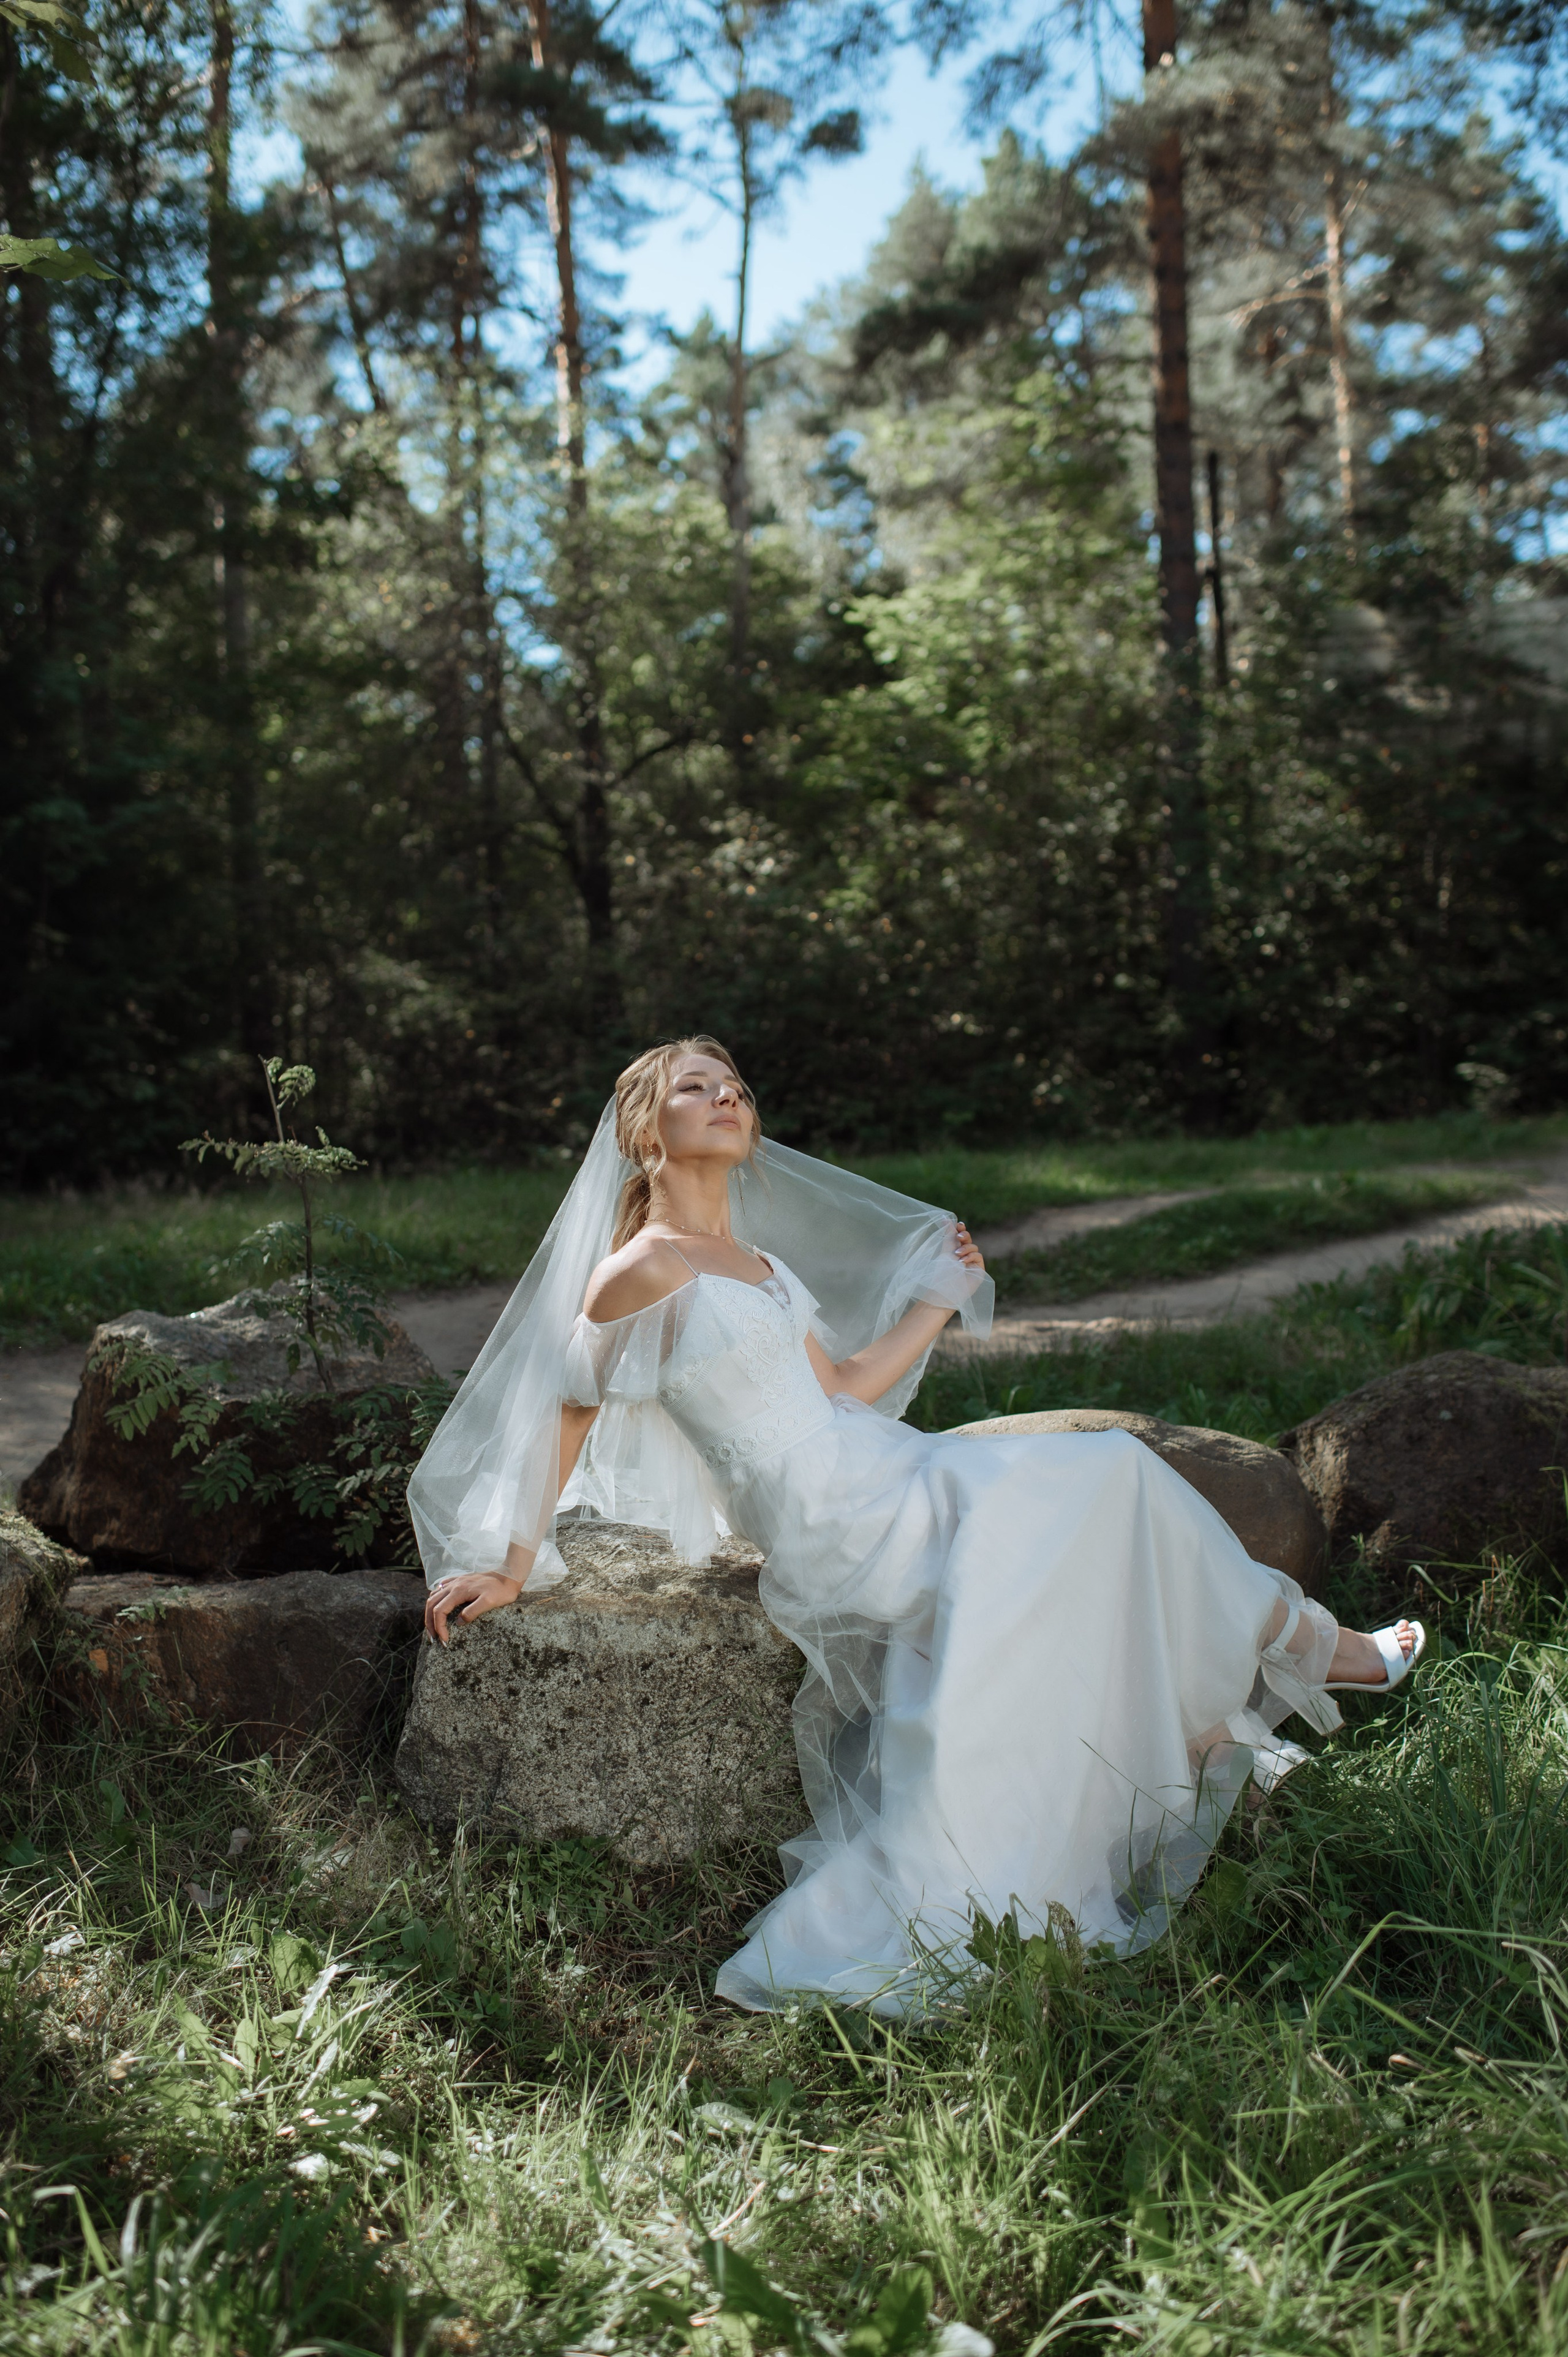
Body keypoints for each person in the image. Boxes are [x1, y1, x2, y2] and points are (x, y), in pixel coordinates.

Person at [410, 1037, 1423, 2016]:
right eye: (694, 1088)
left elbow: (844, 1387)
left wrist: (938, 1302)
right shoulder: (641, 1267)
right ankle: (1295, 1654)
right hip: (830, 1518)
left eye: (735, 1086)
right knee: (1108, 1472)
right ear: (643, 1136)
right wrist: (510, 1563)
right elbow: (569, 1406)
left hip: (878, 1469)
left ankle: (1225, 1717)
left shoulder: (759, 1263)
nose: (726, 1096)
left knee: (1107, 1488)